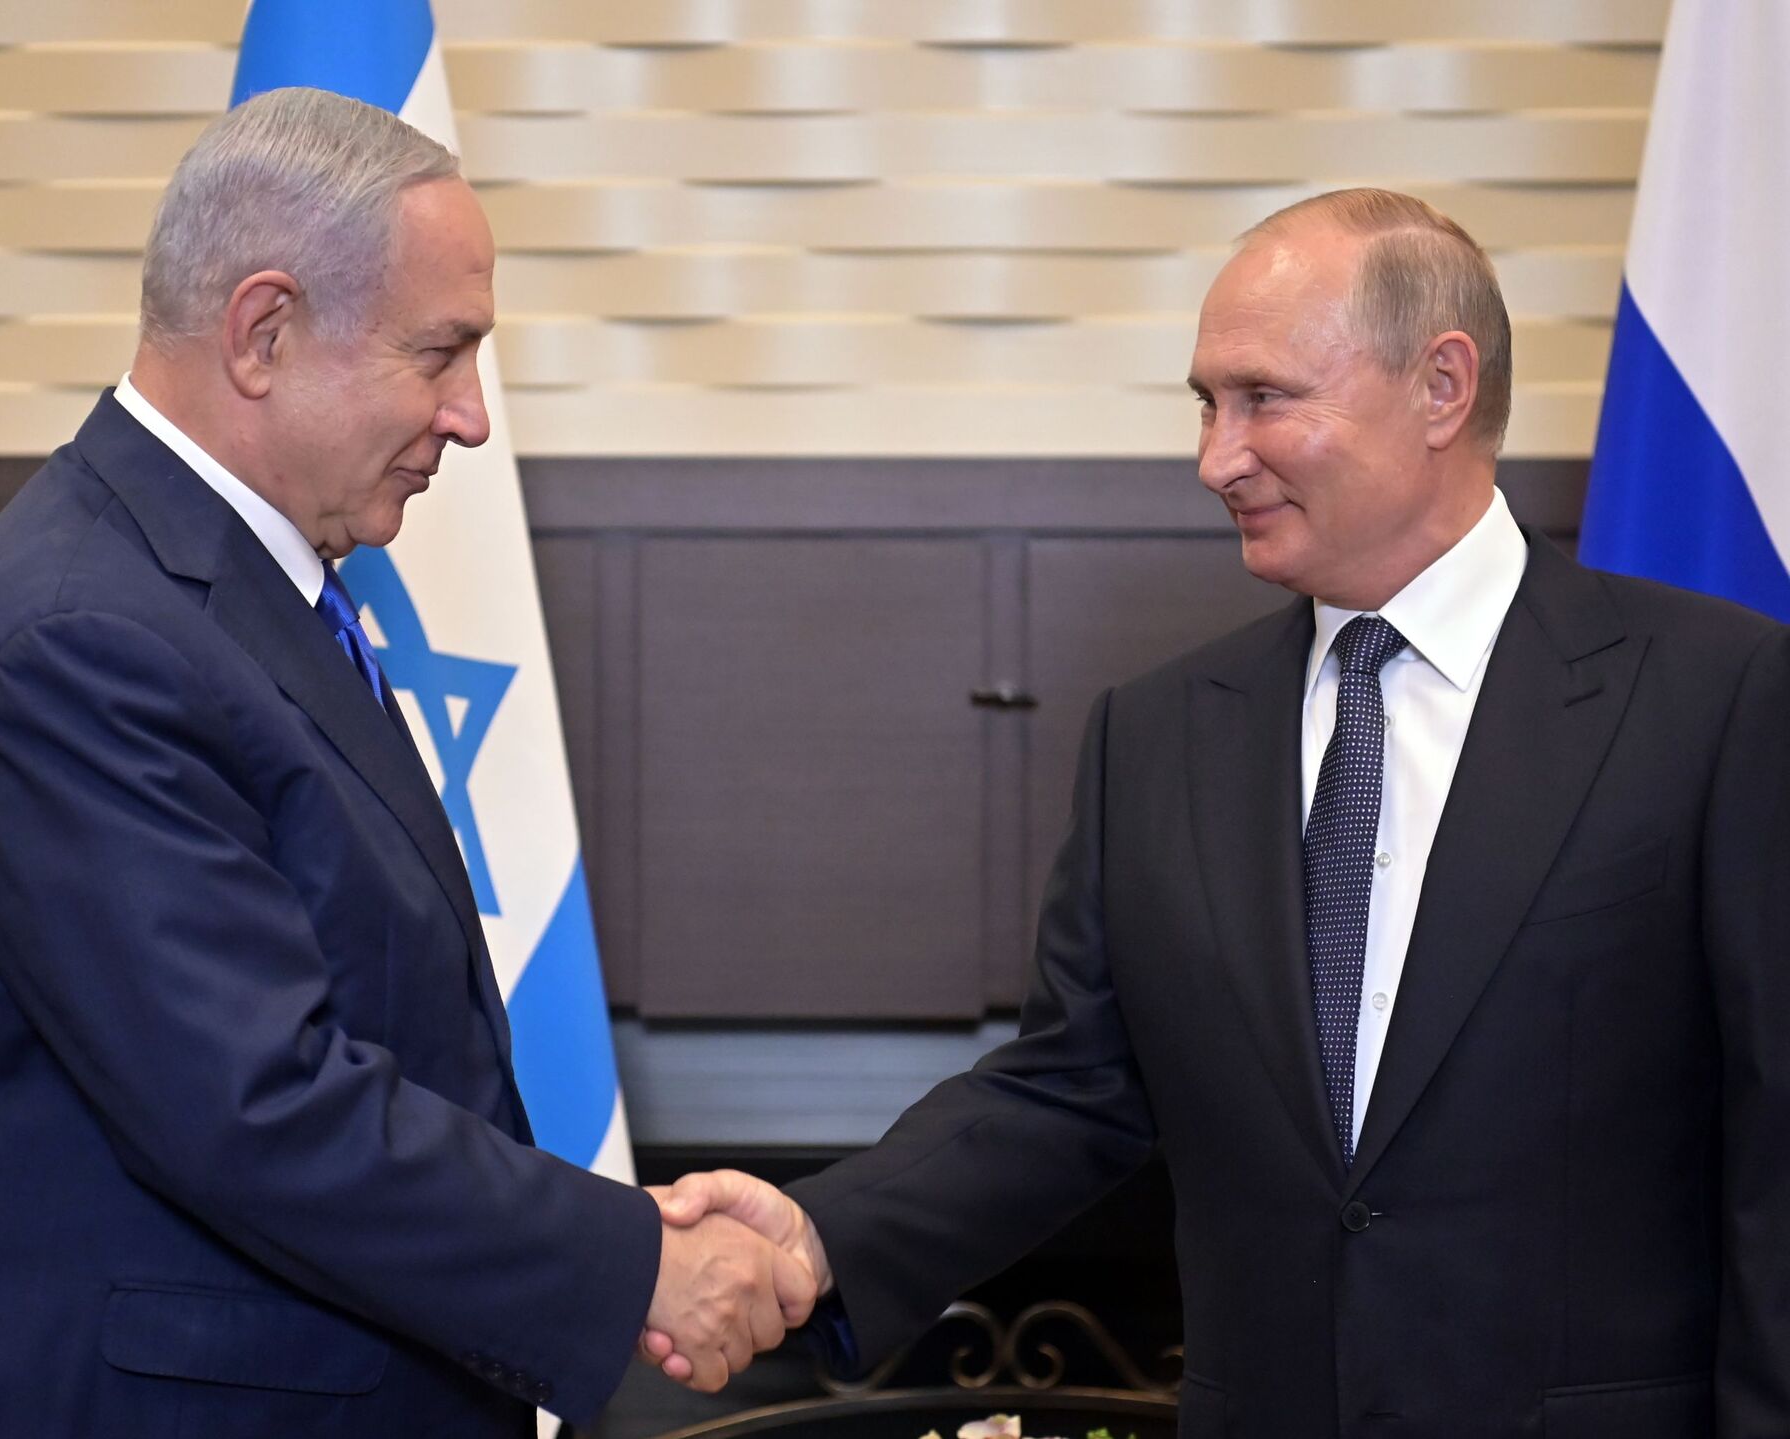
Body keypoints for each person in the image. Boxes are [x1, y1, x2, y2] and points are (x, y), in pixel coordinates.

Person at [645, 189, 1790, 1436]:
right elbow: (1069, 1089)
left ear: (1441, 387)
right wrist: (815, 1232)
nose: (1217, 458)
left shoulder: (1719, 699)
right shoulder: (1158, 736)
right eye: (1207, 403)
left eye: (1264, 398)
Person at [0, 87, 811, 1439]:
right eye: (441, 353)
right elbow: (257, 1104)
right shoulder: (81, 636)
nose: (472, 416)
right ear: (265, 332)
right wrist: (636, 1263)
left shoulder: (229, 586)